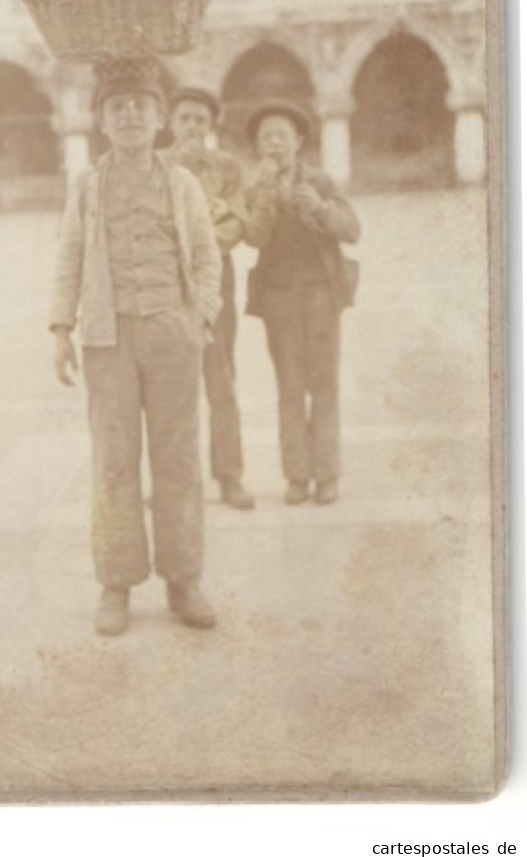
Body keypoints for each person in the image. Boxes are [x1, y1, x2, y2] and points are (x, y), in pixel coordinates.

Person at [49, 58, 221, 637]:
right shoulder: (86, 187)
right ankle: (115, 583)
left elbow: (205, 253)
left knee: (178, 459)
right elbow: (68, 257)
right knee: (114, 460)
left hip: (173, 331)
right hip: (108, 334)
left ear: (160, 119)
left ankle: (184, 578)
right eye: (117, 108)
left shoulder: (181, 183)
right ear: (101, 121)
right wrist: (58, 330)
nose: (128, 117)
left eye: (140, 107)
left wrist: (199, 314)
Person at [243, 99, 360, 506]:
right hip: (278, 298)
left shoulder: (322, 181)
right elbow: (253, 238)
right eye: (265, 137)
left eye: (281, 135)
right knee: (289, 387)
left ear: (299, 141)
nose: (274, 143)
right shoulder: (255, 185)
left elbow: (352, 230)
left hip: (321, 294)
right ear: (258, 147)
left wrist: (321, 210)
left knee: (323, 385)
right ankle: (296, 476)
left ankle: (326, 474)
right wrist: (264, 198)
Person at [164, 85, 254, 510]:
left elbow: (237, 220)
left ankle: (230, 477)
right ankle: (174, 483)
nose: (193, 126)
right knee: (168, 388)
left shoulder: (227, 167)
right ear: (171, 122)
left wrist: (199, 250)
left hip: (216, 285)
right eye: (185, 118)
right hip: (165, 288)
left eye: (201, 119)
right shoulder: (155, 165)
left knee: (222, 381)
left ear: (212, 125)